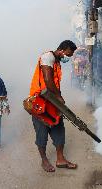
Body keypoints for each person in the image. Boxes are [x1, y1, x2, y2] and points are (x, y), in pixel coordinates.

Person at [29, 40, 77, 172]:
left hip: (51, 101)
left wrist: (57, 97)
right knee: (42, 132)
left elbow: (54, 83)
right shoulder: (47, 57)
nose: (67, 57)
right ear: (62, 50)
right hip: (40, 101)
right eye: (68, 54)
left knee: (58, 128)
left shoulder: (56, 62)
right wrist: (59, 96)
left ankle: (60, 159)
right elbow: (48, 80)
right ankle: (44, 161)